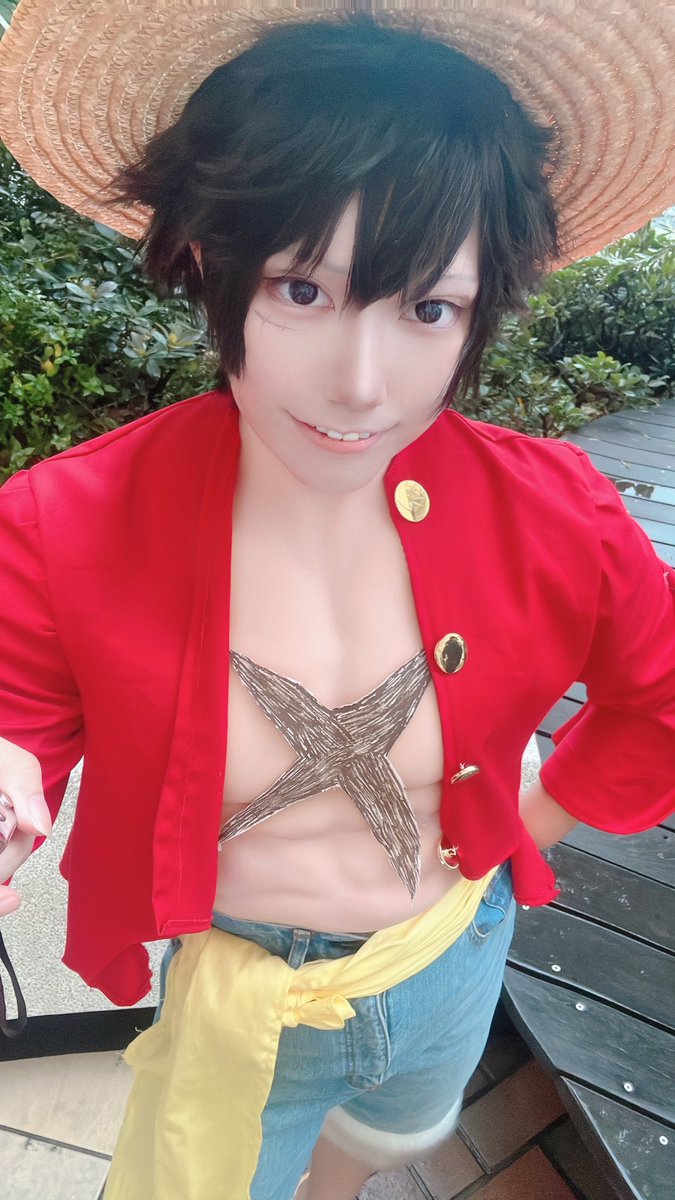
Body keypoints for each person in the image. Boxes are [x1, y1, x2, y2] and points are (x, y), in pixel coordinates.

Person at [0, 3, 673, 1199]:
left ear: (482, 306)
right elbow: (20, 717)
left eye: (428, 308)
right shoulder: (66, 523)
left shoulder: (558, 511)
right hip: (246, 987)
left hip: (452, 955)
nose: (362, 386)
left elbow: (658, 694)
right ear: (207, 259)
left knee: (377, 1151)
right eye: (302, 290)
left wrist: (530, 824)